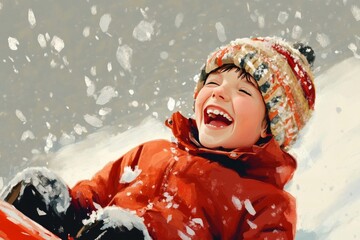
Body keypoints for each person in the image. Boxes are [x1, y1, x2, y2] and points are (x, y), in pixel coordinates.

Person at [0, 36, 316, 240]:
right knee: (38, 188)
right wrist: (65, 205)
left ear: (268, 128)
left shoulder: (266, 201)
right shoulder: (153, 152)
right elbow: (94, 195)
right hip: (95, 232)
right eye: (213, 82)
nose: (220, 92)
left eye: (243, 91)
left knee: (119, 232)